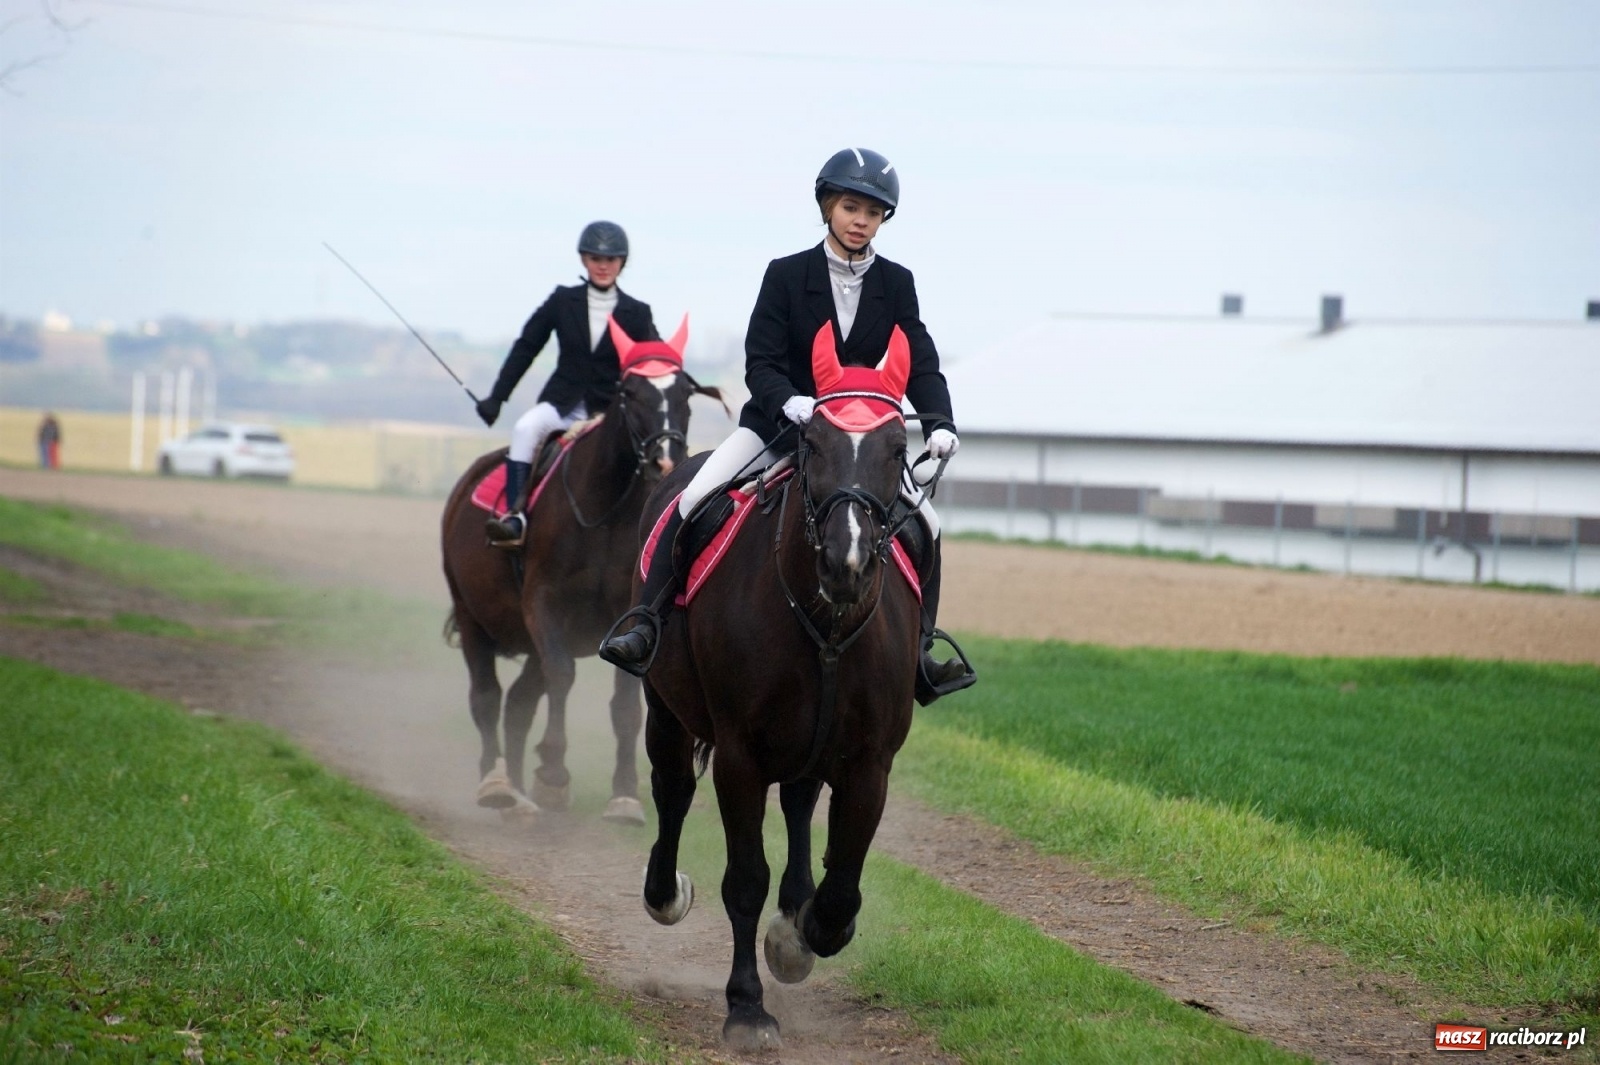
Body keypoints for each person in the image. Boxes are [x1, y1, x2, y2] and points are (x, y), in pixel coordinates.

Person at [600, 148, 975, 702]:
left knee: (930, 525)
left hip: (853, 441)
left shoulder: (897, 283)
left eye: (872, 213)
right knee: (691, 499)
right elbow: (761, 361)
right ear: (828, 206)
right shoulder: (786, 274)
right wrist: (789, 402)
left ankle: (921, 652)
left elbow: (919, 360)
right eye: (851, 207)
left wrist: (940, 421)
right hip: (780, 427)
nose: (860, 220)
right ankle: (647, 624)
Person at [475, 221, 660, 544]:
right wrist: (497, 397)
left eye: (611, 260)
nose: (603, 266)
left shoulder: (637, 313)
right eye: (595, 258)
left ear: (622, 263)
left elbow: (653, 363)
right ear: (584, 260)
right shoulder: (562, 301)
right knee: (525, 429)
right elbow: (526, 347)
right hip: (563, 404)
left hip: (609, 414)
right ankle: (515, 517)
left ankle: (650, 529)